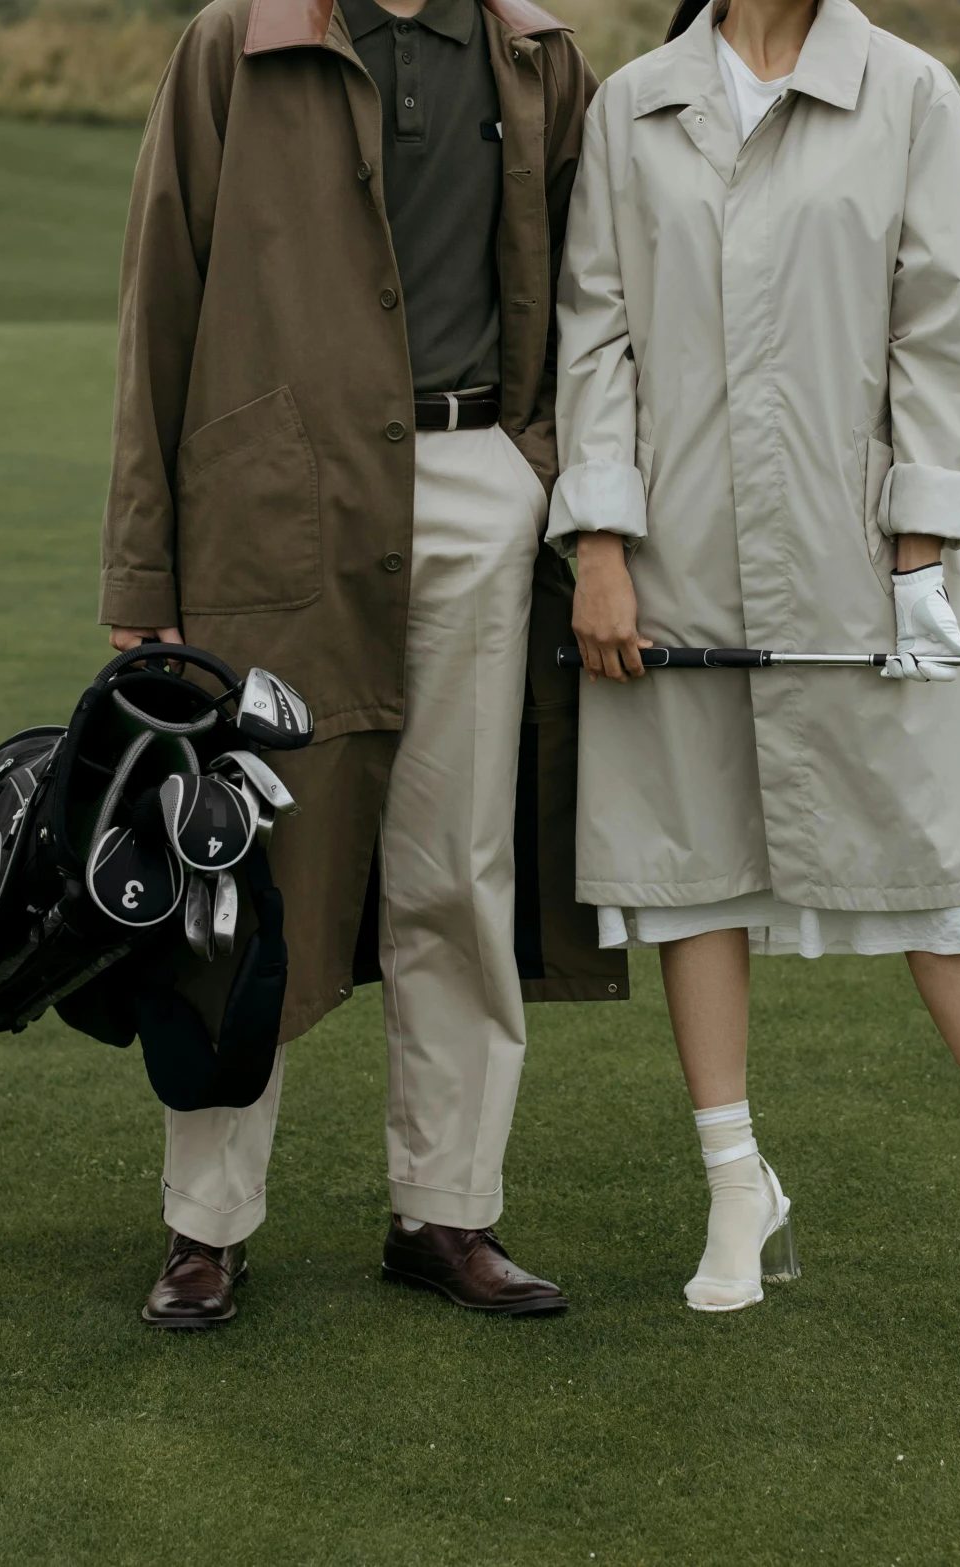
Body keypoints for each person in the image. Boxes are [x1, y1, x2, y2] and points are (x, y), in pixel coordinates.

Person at [550, 0, 960, 1336]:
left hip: (863, 559)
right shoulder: (631, 104)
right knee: (691, 873)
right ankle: (734, 1185)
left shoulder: (911, 94)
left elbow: (940, 335)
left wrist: (919, 558)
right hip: (674, 556)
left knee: (939, 871)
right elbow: (596, 338)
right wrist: (599, 542)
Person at [101, 0, 625, 1328]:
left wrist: (547, 475)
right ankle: (202, 1228)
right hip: (272, 505)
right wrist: (138, 571)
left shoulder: (537, 53)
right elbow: (159, 288)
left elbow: (595, 298)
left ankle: (445, 1210)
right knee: (241, 874)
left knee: (457, 864)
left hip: (478, 489)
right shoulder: (238, 40)